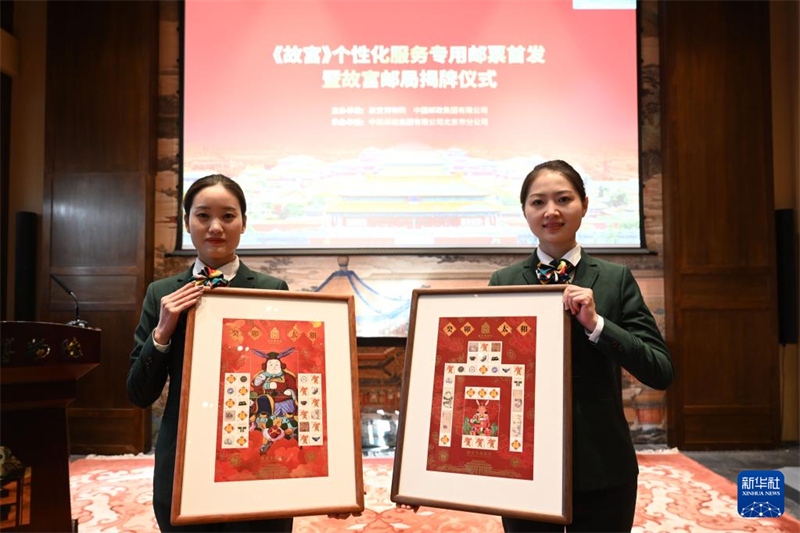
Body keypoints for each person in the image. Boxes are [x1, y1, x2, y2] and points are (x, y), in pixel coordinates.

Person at [489, 159, 674, 533]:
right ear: (524, 210)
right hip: (524, 467)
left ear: (585, 205)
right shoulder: (504, 281)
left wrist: (598, 324)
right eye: (538, 202)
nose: (551, 211)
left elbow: (659, 370)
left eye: (563, 199)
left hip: (603, 463)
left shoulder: (615, 279)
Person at [126, 174, 293, 532]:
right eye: (203, 215)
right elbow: (139, 393)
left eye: (228, 216)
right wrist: (162, 332)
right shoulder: (162, 294)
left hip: (257, 450)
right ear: (187, 222)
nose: (215, 226)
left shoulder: (272, 289)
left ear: (243, 224)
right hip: (184, 454)